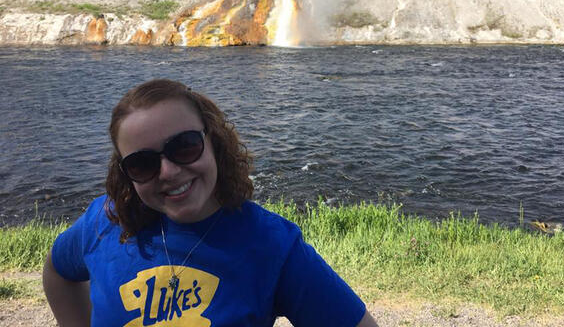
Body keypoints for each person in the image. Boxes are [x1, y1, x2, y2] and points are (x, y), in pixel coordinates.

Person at [43, 79, 378, 327]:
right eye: (142, 164)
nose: (169, 171)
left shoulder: (272, 243)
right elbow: (58, 271)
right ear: (125, 173)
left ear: (213, 141)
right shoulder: (103, 221)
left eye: (184, 146)